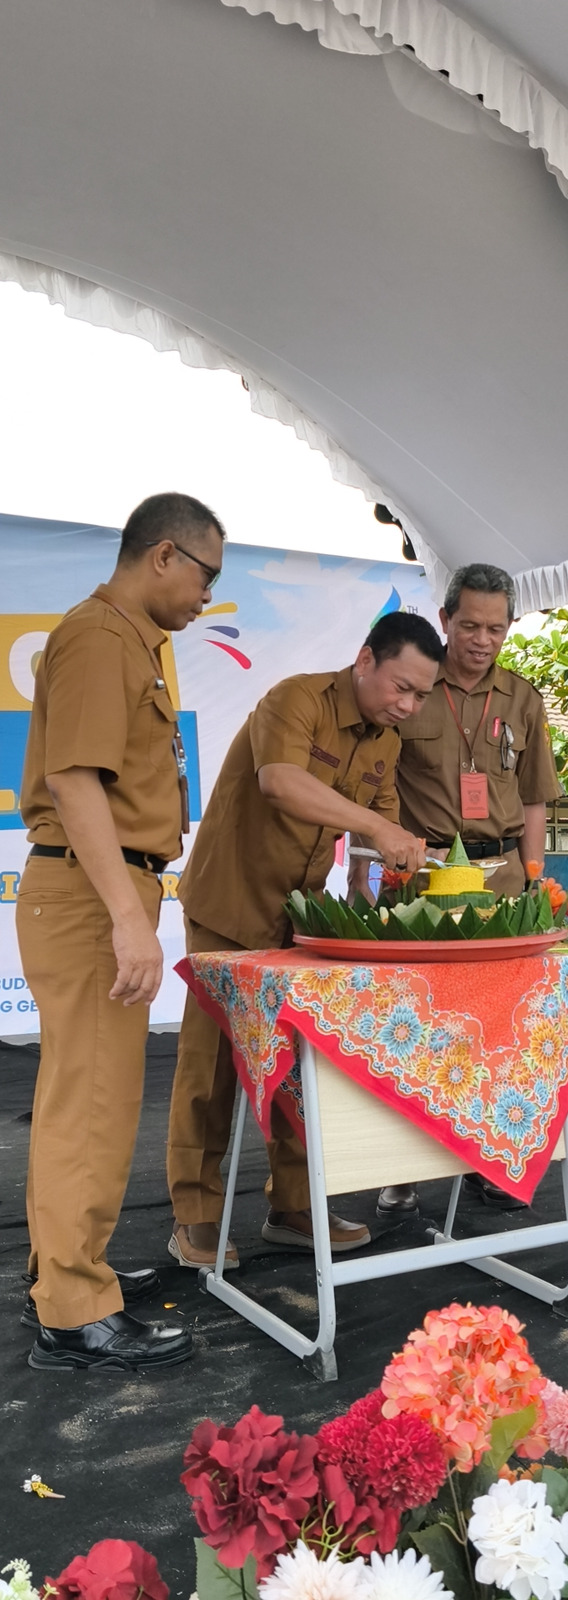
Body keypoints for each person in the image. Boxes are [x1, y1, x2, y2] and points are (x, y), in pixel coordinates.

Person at [17, 491, 225, 1369]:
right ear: (164, 554)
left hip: (95, 890)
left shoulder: (128, 642)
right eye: (205, 575)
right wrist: (127, 920)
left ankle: (65, 1272)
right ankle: (74, 1311)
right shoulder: (102, 636)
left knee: (81, 1099)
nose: (206, 597)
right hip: (91, 895)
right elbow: (75, 781)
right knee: (94, 1104)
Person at [165, 611, 444, 1268]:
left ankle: (293, 1205)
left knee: (298, 1067)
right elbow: (281, 782)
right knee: (211, 1068)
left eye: (421, 695)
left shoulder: (386, 741)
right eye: (401, 687)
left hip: (300, 922)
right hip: (229, 904)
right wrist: (377, 827)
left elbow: (376, 850)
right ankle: (195, 1217)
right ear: (365, 659)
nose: (408, 706)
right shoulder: (296, 700)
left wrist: (384, 901)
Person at [354, 562, 562, 1218]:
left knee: (497, 1030)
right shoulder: (413, 684)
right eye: (470, 625)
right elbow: (372, 781)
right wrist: (363, 871)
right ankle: (404, 1169)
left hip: (500, 880)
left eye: (496, 629)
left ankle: (489, 1161)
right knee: (415, 1027)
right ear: (445, 620)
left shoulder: (523, 699)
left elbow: (535, 800)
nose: (481, 640)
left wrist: (535, 881)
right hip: (421, 880)